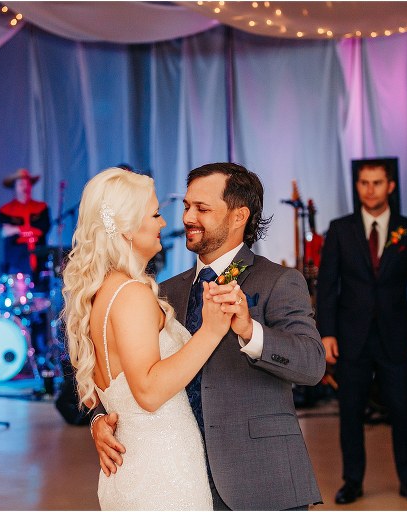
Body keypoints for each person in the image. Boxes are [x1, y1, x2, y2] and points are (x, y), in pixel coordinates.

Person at [92, 162, 325, 510]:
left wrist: (249, 331)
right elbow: (111, 363)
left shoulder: (278, 280)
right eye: (186, 206)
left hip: (261, 478)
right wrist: (99, 417)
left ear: (237, 217)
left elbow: (312, 365)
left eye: (202, 208)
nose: (186, 218)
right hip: (182, 478)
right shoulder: (162, 292)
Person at [62, 167, 236, 509]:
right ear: (126, 227)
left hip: (135, 467)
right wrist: (212, 331)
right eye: (154, 213)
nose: (162, 223)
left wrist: (98, 419)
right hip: (163, 472)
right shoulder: (131, 294)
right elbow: (148, 391)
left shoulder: (104, 292)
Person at [316, 159, 407, 505]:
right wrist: (327, 333)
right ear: (357, 186)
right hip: (351, 336)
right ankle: (352, 481)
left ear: (390, 186)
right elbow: (327, 286)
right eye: (364, 183)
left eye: (377, 183)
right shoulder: (340, 229)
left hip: (397, 335)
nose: (370, 189)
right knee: (350, 412)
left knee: (402, 410)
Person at [0, 168, 51, 276]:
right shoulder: (5, 210)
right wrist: (30, 230)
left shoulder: (41, 207)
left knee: (42, 290)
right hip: (16, 260)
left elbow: (43, 228)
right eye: (21, 184)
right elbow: (4, 232)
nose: (25, 187)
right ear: (15, 187)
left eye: (27, 184)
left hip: (40, 260)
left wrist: (17, 230)